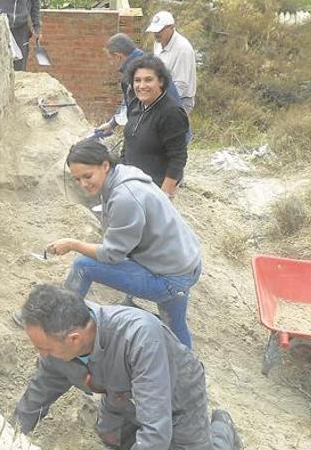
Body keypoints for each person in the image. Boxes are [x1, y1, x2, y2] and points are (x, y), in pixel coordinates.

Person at [13, 283, 243, 450]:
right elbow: (39, 392)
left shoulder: (139, 337)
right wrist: (10, 439)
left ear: (74, 339)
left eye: (45, 348)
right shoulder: (60, 340)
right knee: (114, 439)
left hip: (178, 399)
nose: (42, 354)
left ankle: (223, 428)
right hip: (122, 393)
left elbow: (156, 428)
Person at [33, 139, 202, 349]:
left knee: (83, 266)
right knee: (175, 326)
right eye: (77, 179)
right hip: (186, 264)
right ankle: (189, 372)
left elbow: (112, 255)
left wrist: (73, 243)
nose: (83, 184)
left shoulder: (125, 198)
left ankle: (58, 326)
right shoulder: (124, 174)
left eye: (87, 176)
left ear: (105, 165)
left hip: (170, 277)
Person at [93, 33, 190, 144]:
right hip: (173, 130)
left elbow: (136, 108)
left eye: (111, 59)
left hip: (165, 134)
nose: (111, 63)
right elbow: (130, 103)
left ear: (118, 56)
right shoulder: (144, 62)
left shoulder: (137, 71)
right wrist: (112, 124)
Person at [122, 53, 190, 196]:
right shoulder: (136, 105)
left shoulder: (171, 113)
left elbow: (178, 157)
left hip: (155, 189)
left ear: (160, 81)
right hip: (131, 184)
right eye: (137, 80)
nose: (142, 86)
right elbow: (128, 142)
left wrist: (163, 194)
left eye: (148, 80)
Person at [147, 10, 197, 115]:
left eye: (160, 30)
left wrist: (162, 104)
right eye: (155, 30)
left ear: (171, 27)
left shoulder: (183, 49)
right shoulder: (158, 43)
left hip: (180, 100)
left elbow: (181, 85)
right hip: (161, 96)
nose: (156, 33)